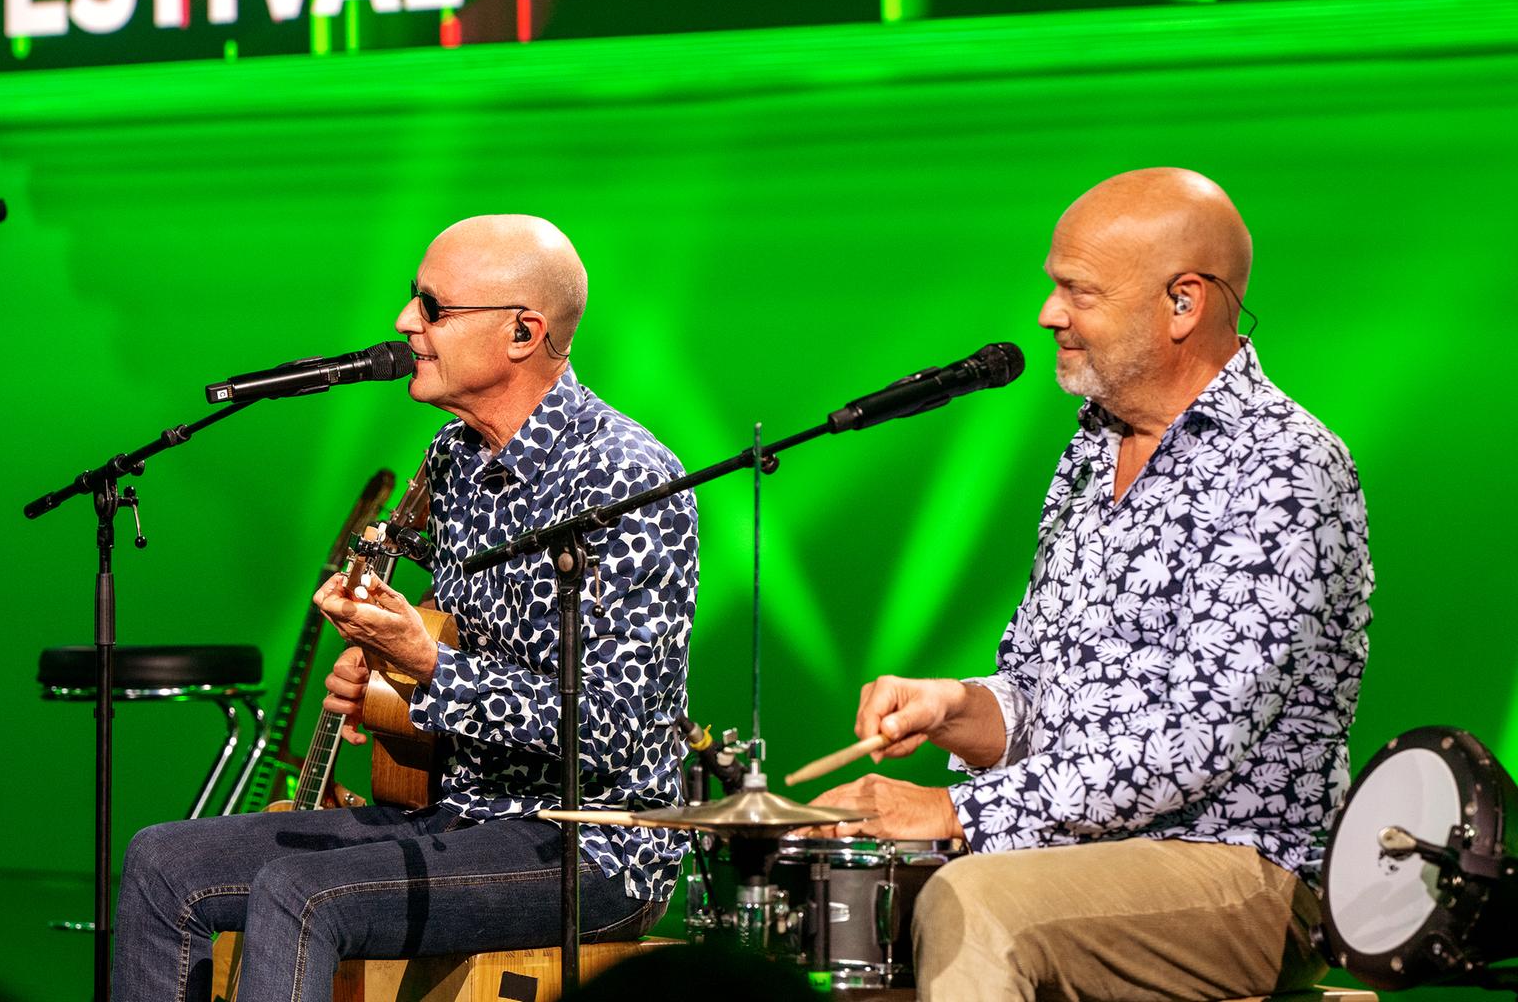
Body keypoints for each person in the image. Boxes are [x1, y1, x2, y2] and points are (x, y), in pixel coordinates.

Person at [812, 168, 1372, 1000]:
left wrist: (960, 813)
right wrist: (959, 708)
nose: (1048, 314)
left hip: (1241, 866)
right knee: (836, 892)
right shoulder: (1091, 450)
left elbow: (1193, 740)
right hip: (1076, 845)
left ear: (1183, 303)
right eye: (1053, 286)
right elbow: (1054, 696)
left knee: (974, 903)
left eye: (1077, 290)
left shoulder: (1284, 468)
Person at [111, 215, 698, 1002]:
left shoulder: (626, 479)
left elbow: (608, 729)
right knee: (161, 862)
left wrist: (426, 668)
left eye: (432, 306)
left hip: (590, 845)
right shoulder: (454, 456)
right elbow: (447, 620)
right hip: (456, 815)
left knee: (299, 893)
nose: (404, 323)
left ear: (523, 332)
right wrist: (380, 661)